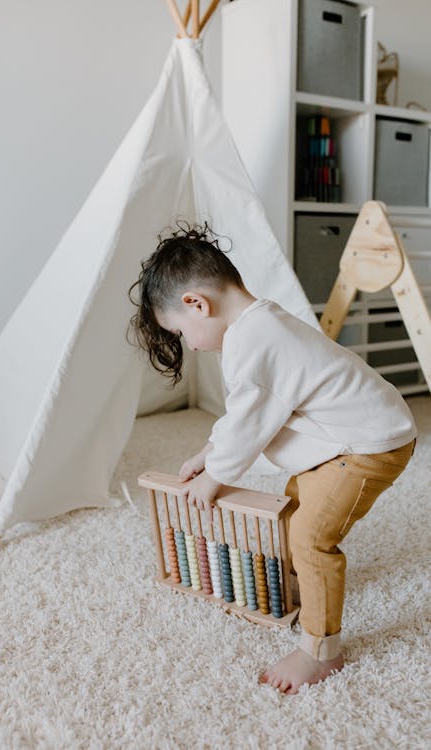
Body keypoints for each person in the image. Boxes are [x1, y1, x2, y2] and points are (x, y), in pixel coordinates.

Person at [128, 223, 417, 695]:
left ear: (196, 304)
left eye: (182, 333)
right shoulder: (258, 325)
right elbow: (245, 413)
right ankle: (305, 587)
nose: (192, 345)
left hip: (371, 445)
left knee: (310, 535)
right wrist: (208, 451)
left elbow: (248, 426)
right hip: (345, 438)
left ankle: (319, 651)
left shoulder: (255, 340)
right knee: (293, 503)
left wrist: (215, 476)